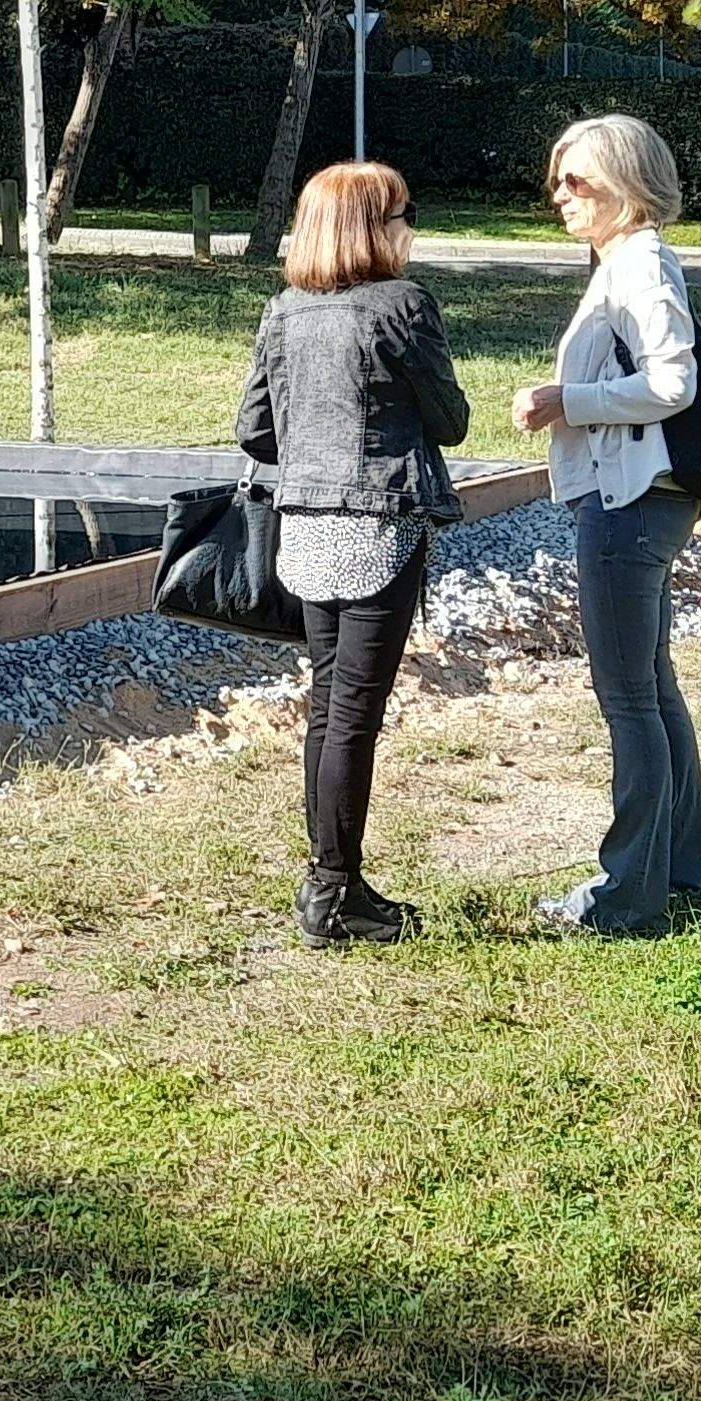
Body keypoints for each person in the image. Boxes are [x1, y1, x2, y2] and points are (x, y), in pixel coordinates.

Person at [236, 161, 470, 946]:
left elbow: (254, 431)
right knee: (354, 719)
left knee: (328, 708)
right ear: (376, 228)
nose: (413, 229)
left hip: (305, 528)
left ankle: (329, 878)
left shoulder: (284, 310)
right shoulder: (403, 305)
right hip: (379, 528)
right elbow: (451, 420)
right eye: (406, 215)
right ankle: (335, 895)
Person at [510, 114, 701, 937]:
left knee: (628, 698)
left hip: (628, 503)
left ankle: (626, 897)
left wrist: (568, 401)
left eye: (577, 179)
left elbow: (672, 384)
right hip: (640, 496)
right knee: (650, 689)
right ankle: (676, 872)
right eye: (557, 178)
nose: (559, 193)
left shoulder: (640, 265)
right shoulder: (628, 261)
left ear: (625, 183)